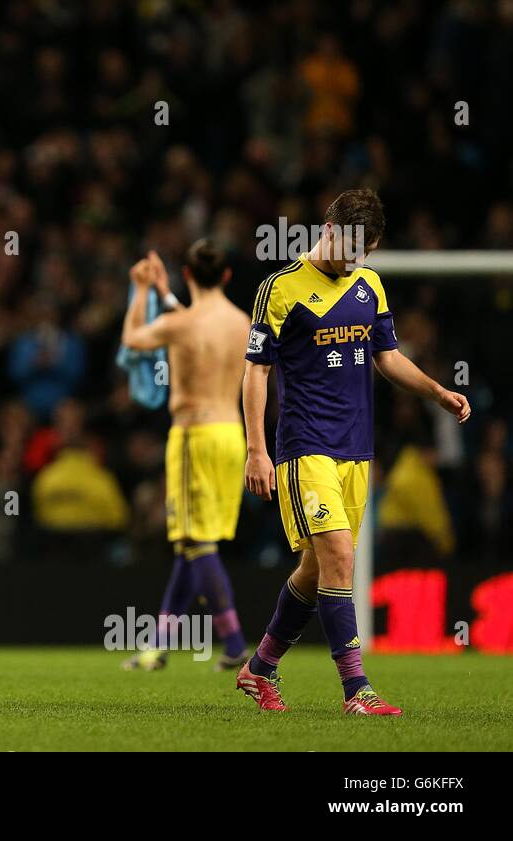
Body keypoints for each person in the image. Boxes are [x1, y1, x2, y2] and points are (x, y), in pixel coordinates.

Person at [239, 189, 470, 714]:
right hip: (305, 446)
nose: (352, 257)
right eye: (347, 244)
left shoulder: (370, 286)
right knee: (340, 557)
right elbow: (256, 370)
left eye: (363, 249)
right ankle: (356, 690)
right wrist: (256, 449)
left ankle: (260, 669)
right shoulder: (280, 287)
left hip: (356, 450)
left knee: (317, 570)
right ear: (327, 226)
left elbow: (387, 358)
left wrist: (436, 391)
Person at [118, 241, 251, 671]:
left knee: (197, 542)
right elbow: (198, 320)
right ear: (226, 276)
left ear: (189, 275)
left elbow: (133, 340)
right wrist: (167, 292)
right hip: (233, 433)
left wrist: (142, 290)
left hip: (195, 434)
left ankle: (234, 644)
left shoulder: (180, 325)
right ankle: (157, 647)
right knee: (190, 544)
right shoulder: (242, 322)